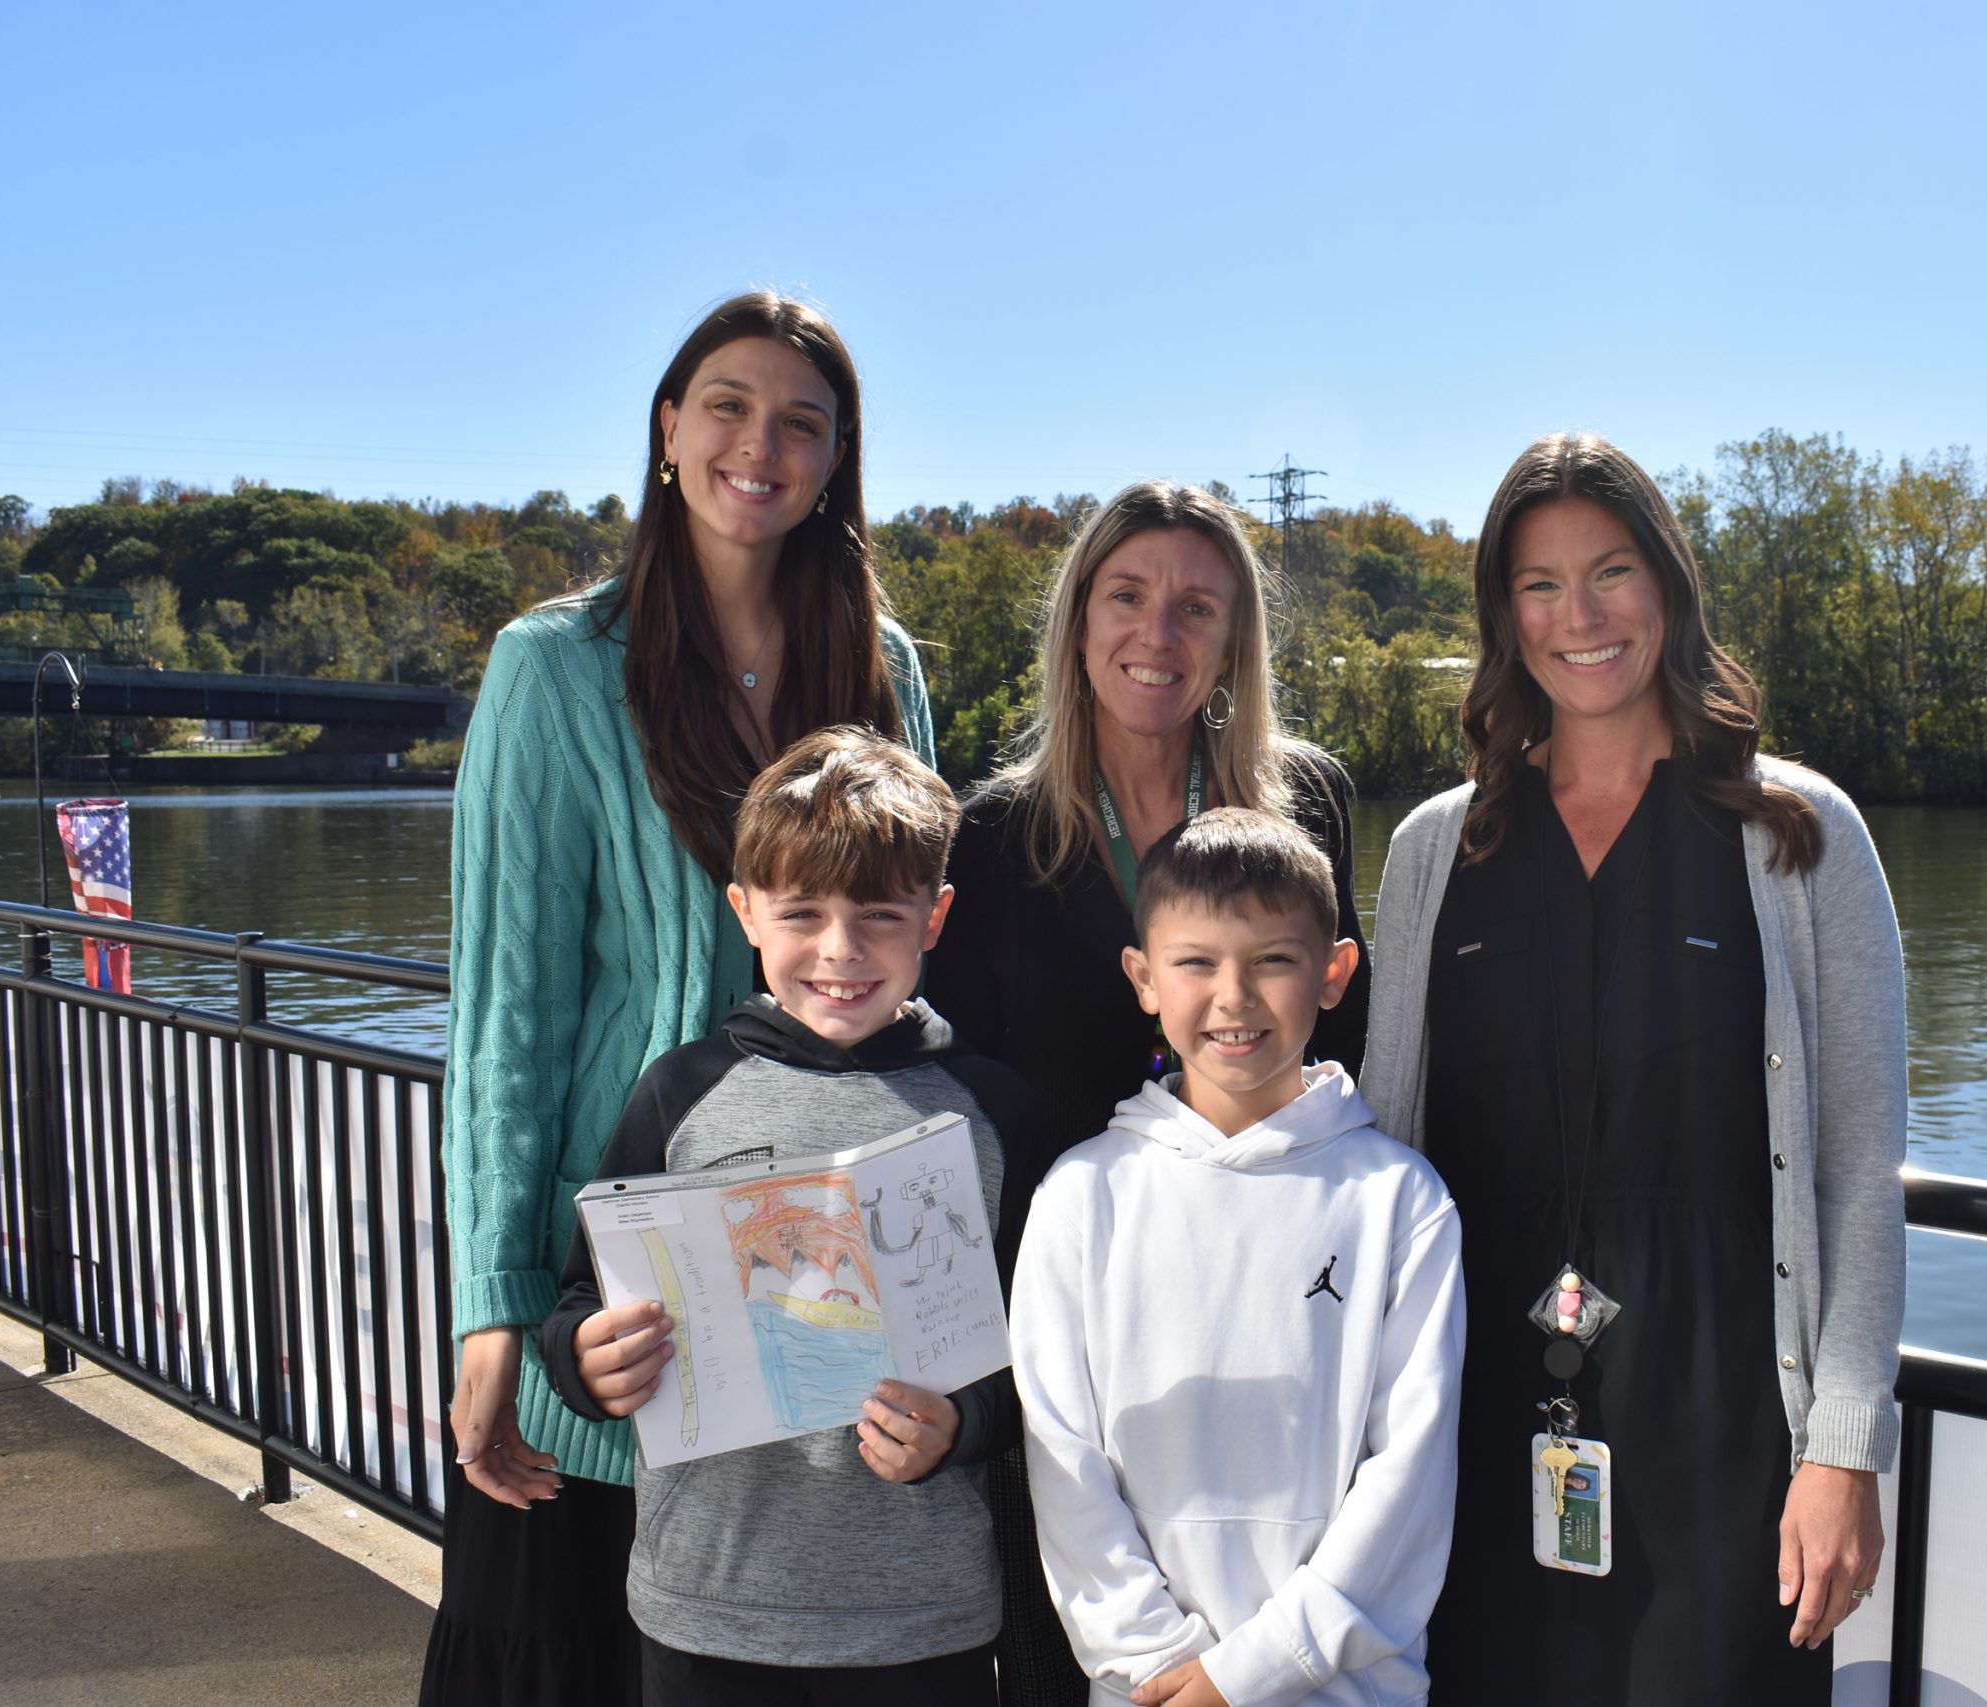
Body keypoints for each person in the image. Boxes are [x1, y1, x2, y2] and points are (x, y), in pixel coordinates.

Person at [424, 292, 935, 1706]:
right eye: (726, 403)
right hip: (604, 1282)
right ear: (667, 427)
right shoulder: (554, 667)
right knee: (553, 1649)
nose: (758, 443)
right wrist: (491, 1304)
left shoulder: (880, 672)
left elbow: (904, 984)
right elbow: (504, 1018)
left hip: (807, 1271)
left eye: (801, 421)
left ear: (836, 462)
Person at [1359, 432, 1906, 1700]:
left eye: (1610, 573)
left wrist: (1841, 1447)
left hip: (1724, 1418)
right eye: (1539, 585)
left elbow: (1857, 1167)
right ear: (1503, 616)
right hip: (1476, 1418)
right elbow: (1384, 1148)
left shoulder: (1800, 835)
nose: (1580, 617)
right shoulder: (1440, 849)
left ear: (1668, 586)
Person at [926, 480, 1369, 1702]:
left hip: (1276, 1321)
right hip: (1074, 1342)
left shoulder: (1304, 803)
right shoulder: (998, 838)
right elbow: (952, 1111)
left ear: (1235, 641)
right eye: (1125, 598)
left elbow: (1348, 1039)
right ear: (1078, 621)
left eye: (1196, 609)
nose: (1156, 636)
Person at [541, 728, 1028, 1706]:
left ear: (933, 919)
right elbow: (581, 1297)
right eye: (801, 913)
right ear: (745, 912)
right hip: (706, 1601)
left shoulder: (992, 1110)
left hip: (920, 1614)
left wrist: (966, 1423)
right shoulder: (679, 1093)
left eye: (880, 915)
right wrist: (584, 1359)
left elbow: (1050, 1352)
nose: (840, 950)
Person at [1010, 807, 1465, 1707]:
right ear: (1142, 977)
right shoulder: (1080, 1197)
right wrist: (1156, 1665)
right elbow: (1063, 1462)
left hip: (1346, 1690)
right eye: (1196, 962)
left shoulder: (1401, 1202)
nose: (1234, 996)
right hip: (1149, 1690)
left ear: (1335, 972)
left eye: (1273, 960)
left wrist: (1249, 1672)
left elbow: (1409, 1477)